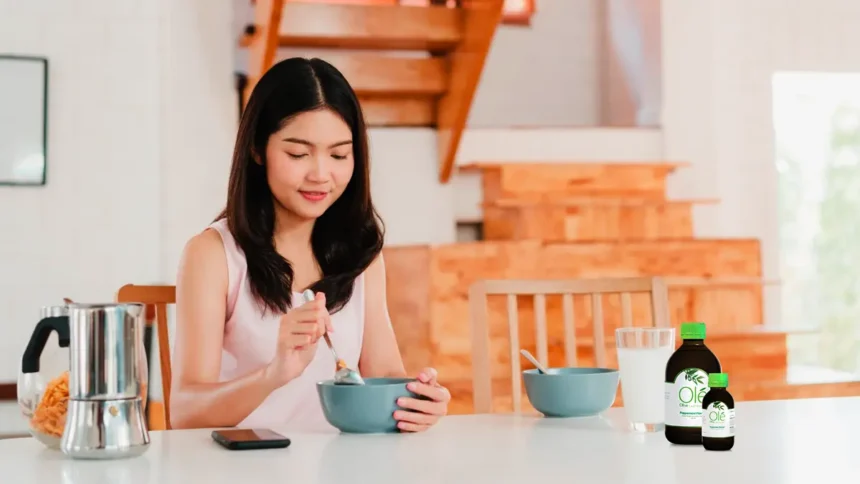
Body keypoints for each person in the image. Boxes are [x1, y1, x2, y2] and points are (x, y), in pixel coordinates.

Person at [169, 57, 451, 432]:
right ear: (257, 149)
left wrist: (417, 401)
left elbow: (383, 372)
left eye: (338, 155)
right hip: (242, 465)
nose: (321, 175)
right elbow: (184, 413)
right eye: (298, 154)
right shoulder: (213, 254)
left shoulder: (361, 254)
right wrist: (273, 374)